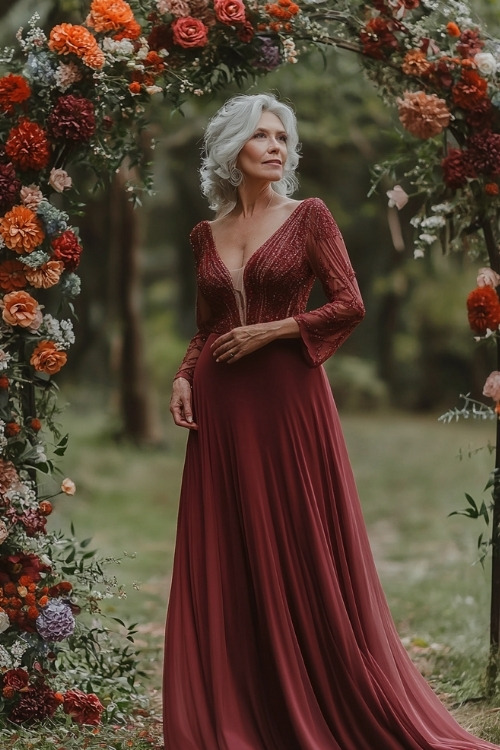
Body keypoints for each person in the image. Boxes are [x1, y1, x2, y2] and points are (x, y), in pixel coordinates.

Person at [164, 93, 498, 750]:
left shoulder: (309, 217)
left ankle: (313, 686)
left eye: (282, 137)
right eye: (261, 135)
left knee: (299, 537)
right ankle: (236, 702)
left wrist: (275, 331)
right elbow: (206, 327)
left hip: (288, 399)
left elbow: (350, 304)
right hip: (220, 407)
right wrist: (181, 373)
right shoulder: (205, 233)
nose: (275, 147)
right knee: (229, 546)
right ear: (232, 148)